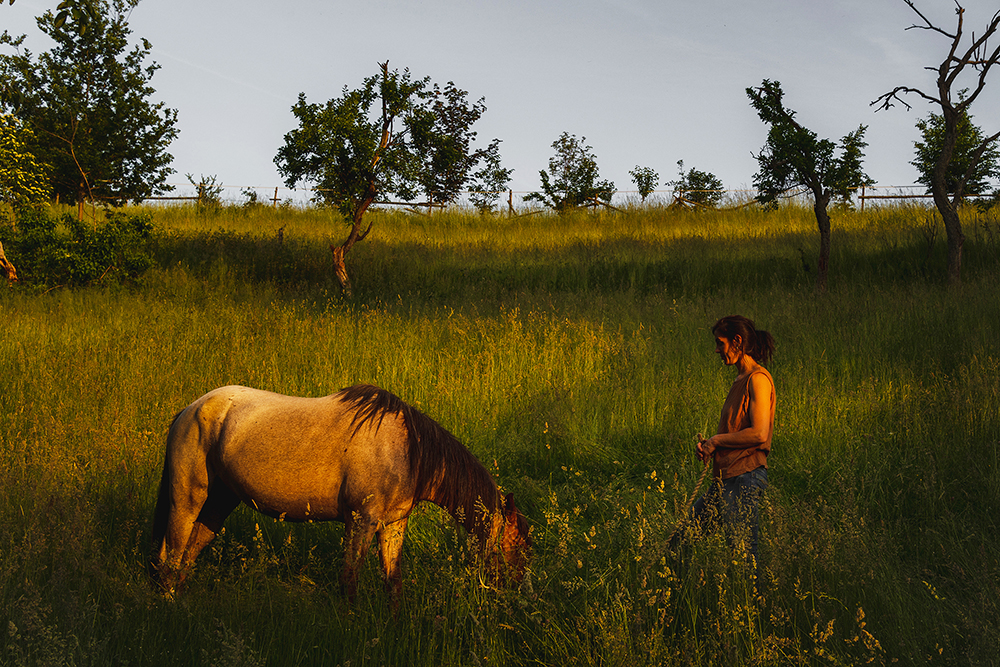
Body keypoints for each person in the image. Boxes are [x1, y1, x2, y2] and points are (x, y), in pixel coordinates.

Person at [691, 315, 775, 588]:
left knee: (744, 558)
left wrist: (716, 440)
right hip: (724, 480)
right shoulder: (739, 380)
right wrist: (711, 447)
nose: (717, 350)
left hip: (744, 477)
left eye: (720, 343)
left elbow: (759, 433)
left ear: (737, 342)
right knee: (681, 540)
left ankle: (756, 618)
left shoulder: (757, 379)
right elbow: (736, 432)